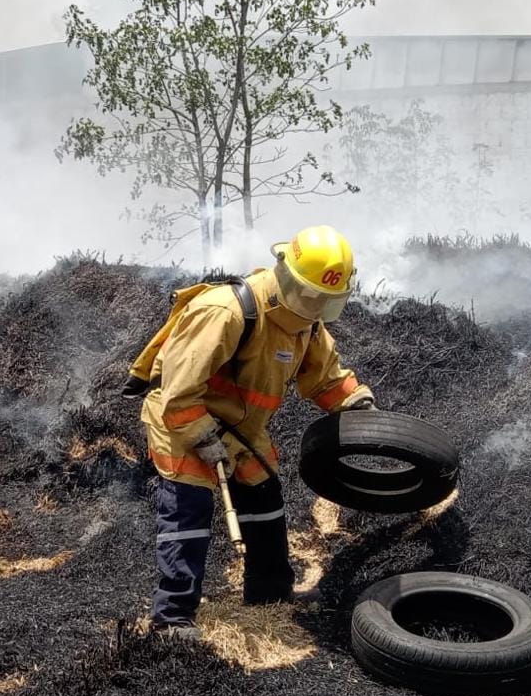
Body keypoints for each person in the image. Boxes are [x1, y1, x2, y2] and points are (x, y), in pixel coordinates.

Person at [126, 225, 376, 641]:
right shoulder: (226, 311)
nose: (313, 307)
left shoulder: (307, 323)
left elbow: (327, 379)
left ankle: (270, 596)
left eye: (323, 300)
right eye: (308, 295)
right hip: (185, 420)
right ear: (284, 274)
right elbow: (178, 391)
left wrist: (356, 403)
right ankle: (172, 619)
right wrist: (202, 436)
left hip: (243, 431)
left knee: (264, 504)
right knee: (188, 515)